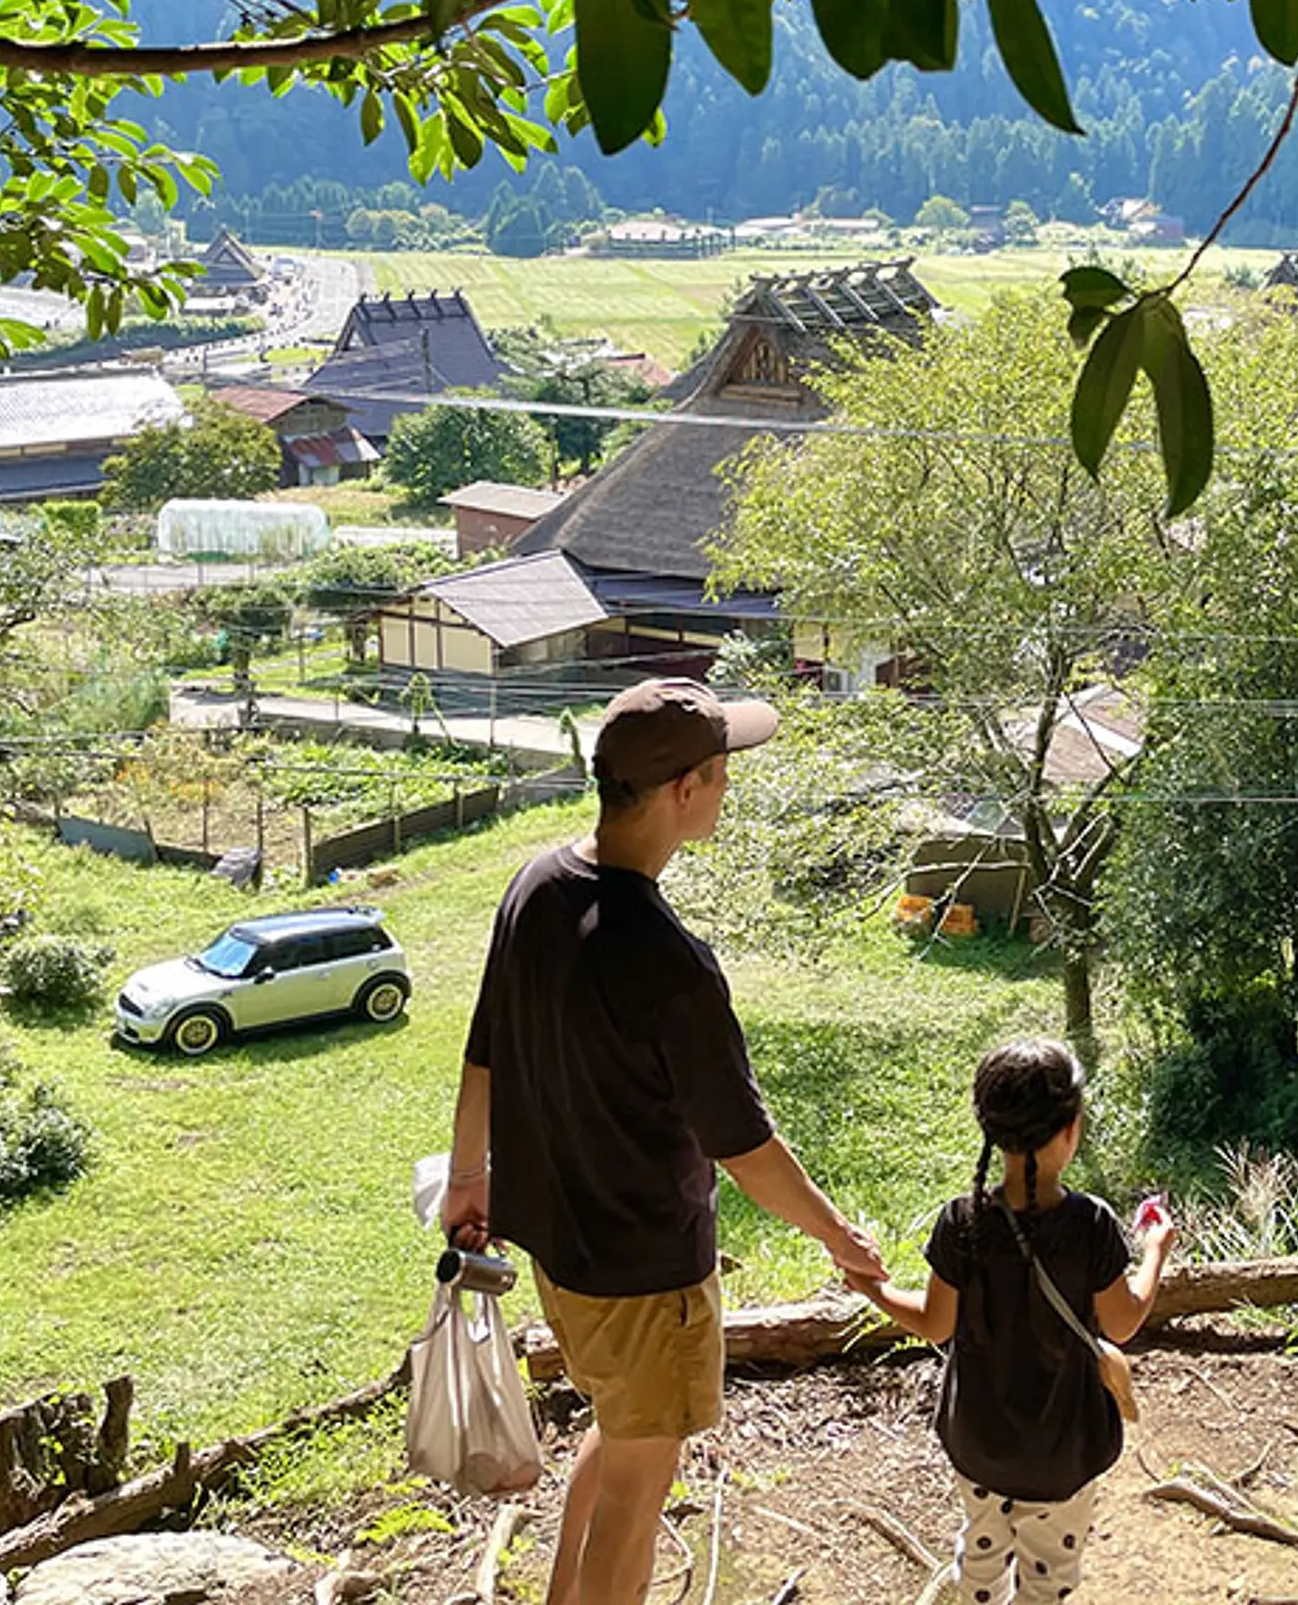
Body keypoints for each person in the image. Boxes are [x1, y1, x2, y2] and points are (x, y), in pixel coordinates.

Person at [441, 677, 885, 1605]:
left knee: (621, 1431)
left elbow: (483, 1049)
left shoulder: (536, 884)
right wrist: (838, 1237)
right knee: (640, 1499)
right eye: (722, 773)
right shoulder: (669, 962)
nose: (728, 789)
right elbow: (745, 1148)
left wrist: (468, 1179)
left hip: (559, 1255)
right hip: (643, 1273)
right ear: (684, 789)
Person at [844, 1038, 1177, 1605]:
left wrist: (870, 1287)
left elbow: (932, 1324)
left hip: (979, 1444)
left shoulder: (962, 1220)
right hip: (1062, 1452)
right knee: (1047, 1581)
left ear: (993, 1131)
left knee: (979, 1555)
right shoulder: (1090, 1224)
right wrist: (1156, 1251)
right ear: (1071, 1129)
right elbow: (1121, 1324)